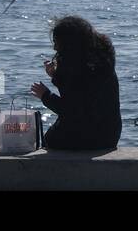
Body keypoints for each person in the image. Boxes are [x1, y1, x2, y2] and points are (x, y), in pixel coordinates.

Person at [30, 15, 122, 150]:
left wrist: (45, 95)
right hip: (109, 136)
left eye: (56, 42)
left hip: (85, 138)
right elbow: (81, 95)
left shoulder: (72, 64)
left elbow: (72, 111)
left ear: (68, 44)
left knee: (49, 138)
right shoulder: (103, 58)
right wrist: (56, 76)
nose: (55, 48)